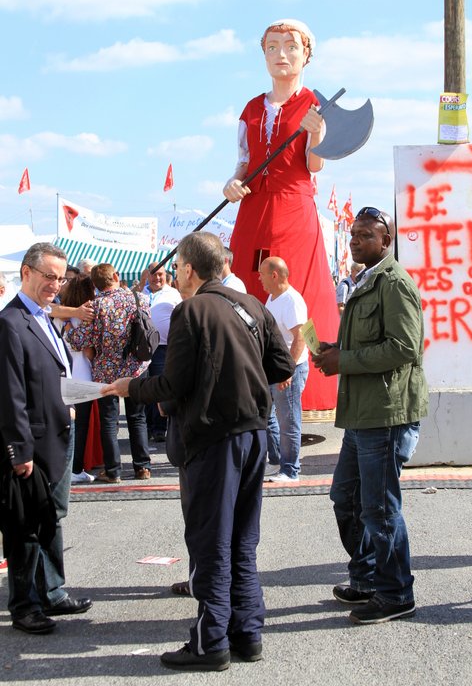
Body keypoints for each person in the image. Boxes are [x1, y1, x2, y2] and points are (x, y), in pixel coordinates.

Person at [101, 232, 294, 672]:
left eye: (179, 267)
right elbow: (280, 365)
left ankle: (211, 643)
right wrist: (240, 376)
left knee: (210, 541)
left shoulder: (193, 310)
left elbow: (173, 385)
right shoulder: (251, 305)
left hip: (214, 439)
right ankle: (247, 632)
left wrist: (131, 386)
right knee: (242, 539)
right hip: (253, 435)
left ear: (188, 269)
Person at [312, 207, 428, 625]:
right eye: (353, 234)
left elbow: (405, 348)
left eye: (365, 235)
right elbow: (363, 343)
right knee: (345, 499)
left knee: (379, 508)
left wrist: (346, 360)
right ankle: (365, 578)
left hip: (386, 414)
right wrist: (331, 350)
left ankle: (396, 594)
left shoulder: (394, 283)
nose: (355, 240)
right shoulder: (365, 280)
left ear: (385, 240)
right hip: (362, 415)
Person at [223, 18, 339, 411]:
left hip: (294, 208)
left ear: (306, 54)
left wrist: (318, 136)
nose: (281, 55)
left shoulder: (314, 105)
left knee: (301, 294)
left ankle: (310, 383)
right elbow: (243, 162)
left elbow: (314, 165)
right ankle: (243, 380)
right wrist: (232, 184)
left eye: (290, 46)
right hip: (254, 210)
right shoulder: (252, 108)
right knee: (247, 289)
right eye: (272, 47)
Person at [0, 242, 92, 634]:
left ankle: (52, 592)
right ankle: (24, 605)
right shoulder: (10, 322)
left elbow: (51, 374)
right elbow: (10, 394)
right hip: (31, 446)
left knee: (51, 519)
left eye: (60, 277)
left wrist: (67, 401)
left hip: (58, 435)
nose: (55, 285)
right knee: (25, 528)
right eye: (48, 277)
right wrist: (18, 451)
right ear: (26, 273)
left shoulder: (43, 316)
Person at [66, 263, 152, 483]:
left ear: (95, 284)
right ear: (116, 275)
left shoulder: (97, 305)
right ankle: (142, 467)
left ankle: (113, 470)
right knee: (137, 417)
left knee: (109, 421)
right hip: (136, 367)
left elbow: (80, 341)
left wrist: (68, 330)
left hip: (106, 370)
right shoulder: (139, 299)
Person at [259, 256, 308, 482]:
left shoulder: (291, 300)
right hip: (276, 370)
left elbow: (301, 335)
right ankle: (280, 462)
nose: (259, 278)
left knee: (288, 420)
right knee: (274, 417)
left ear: (274, 275)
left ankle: (290, 470)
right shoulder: (273, 297)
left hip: (290, 370)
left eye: (262, 274)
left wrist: (287, 370)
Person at [60, 275, 97, 484]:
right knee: (80, 427)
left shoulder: (59, 315)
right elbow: (89, 352)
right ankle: (75, 469)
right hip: (83, 375)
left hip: (63, 376)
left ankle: (66, 469)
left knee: (64, 426)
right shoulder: (86, 318)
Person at [145, 261, 181, 442]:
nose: (156, 278)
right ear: (147, 275)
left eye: (160, 274)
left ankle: (159, 429)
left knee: (159, 387)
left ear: (165, 275)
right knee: (144, 388)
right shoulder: (139, 294)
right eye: (153, 274)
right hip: (143, 349)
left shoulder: (174, 294)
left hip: (164, 347)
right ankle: (147, 427)